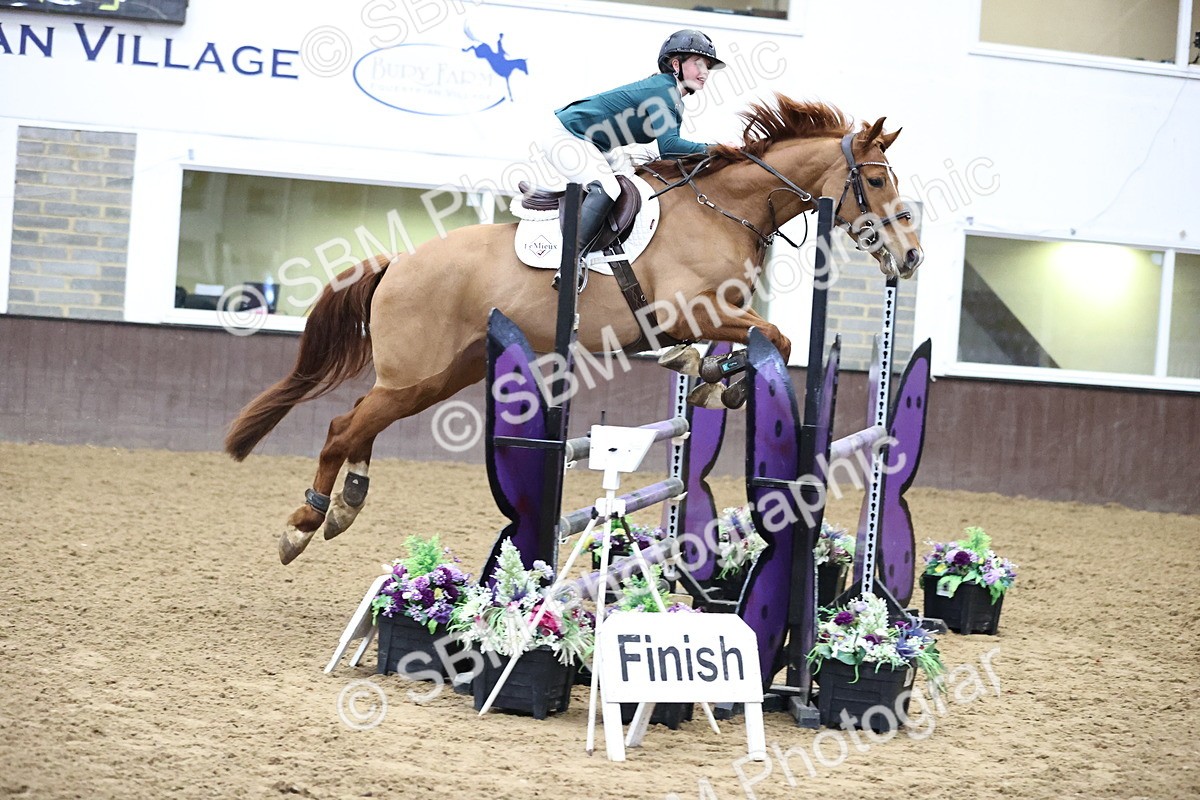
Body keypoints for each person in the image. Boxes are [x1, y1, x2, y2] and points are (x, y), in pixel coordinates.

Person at [540, 29, 725, 258]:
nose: (705, 72)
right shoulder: (664, 91)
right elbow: (670, 147)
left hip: (595, 144)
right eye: (699, 64)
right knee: (608, 188)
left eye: (708, 67)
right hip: (566, 136)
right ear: (676, 65)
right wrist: (720, 151)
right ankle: (569, 262)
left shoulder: (672, 97)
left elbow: (669, 156)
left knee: (636, 186)